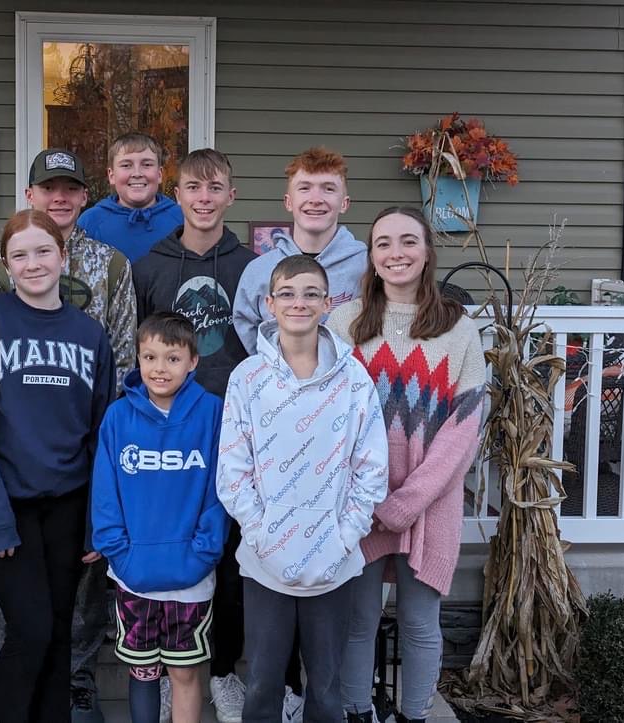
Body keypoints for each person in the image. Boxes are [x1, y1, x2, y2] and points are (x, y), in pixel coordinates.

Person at [0, 148, 134, 720]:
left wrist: (97, 513)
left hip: (69, 505)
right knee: (31, 628)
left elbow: (98, 430)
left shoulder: (89, 335)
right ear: (6, 264)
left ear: (64, 257)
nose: (33, 263)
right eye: (21, 255)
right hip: (8, 504)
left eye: (44, 252)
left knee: (59, 631)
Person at [327, 207, 486, 723]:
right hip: (357, 503)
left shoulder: (459, 330)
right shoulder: (342, 323)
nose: (396, 254)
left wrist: (406, 503)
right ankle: (356, 712)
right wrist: (367, 500)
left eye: (408, 242)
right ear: (371, 256)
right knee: (358, 621)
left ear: (427, 252)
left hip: (430, 502)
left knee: (421, 623)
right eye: (384, 244)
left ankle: (414, 714)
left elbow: (462, 433)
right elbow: (324, 417)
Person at [217, 255, 389, 723]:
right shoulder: (247, 379)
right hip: (264, 561)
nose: (300, 302)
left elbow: (371, 467)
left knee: (327, 691)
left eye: (311, 293)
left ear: (328, 303)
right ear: (269, 304)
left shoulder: (353, 379)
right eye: (288, 293)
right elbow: (232, 472)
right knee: (262, 686)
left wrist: (344, 536)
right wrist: (263, 535)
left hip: (334, 559)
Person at [132, 148, 255, 722]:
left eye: (215, 188)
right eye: (192, 188)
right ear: (175, 195)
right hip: (169, 432)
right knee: (173, 547)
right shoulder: (151, 264)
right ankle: (162, 669)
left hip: (236, 429)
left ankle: (224, 672)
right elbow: (140, 350)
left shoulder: (252, 267)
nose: (204, 199)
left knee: (229, 558)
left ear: (231, 195)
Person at [92, 311, 229, 723]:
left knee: (185, 673)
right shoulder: (118, 417)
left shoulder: (212, 413)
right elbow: (105, 494)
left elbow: (220, 491)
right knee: (143, 672)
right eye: (149, 357)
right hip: (133, 574)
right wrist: (120, 554)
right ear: (137, 359)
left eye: (172, 358)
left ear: (193, 361)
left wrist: (204, 551)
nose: (159, 368)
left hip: (191, 576)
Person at [232, 146, 367, 355]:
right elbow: (246, 326)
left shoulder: (366, 265)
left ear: (344, 203)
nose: (315, 199)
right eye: (304, 188)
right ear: (288, 201)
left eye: (328, 189)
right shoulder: (259, 271)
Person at [78, 132, 183, 263]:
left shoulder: (181, 219)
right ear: (111, 175)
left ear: (160, 174)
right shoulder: (91, 222)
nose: (137, 173)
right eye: (126, 165)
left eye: (147, 165)